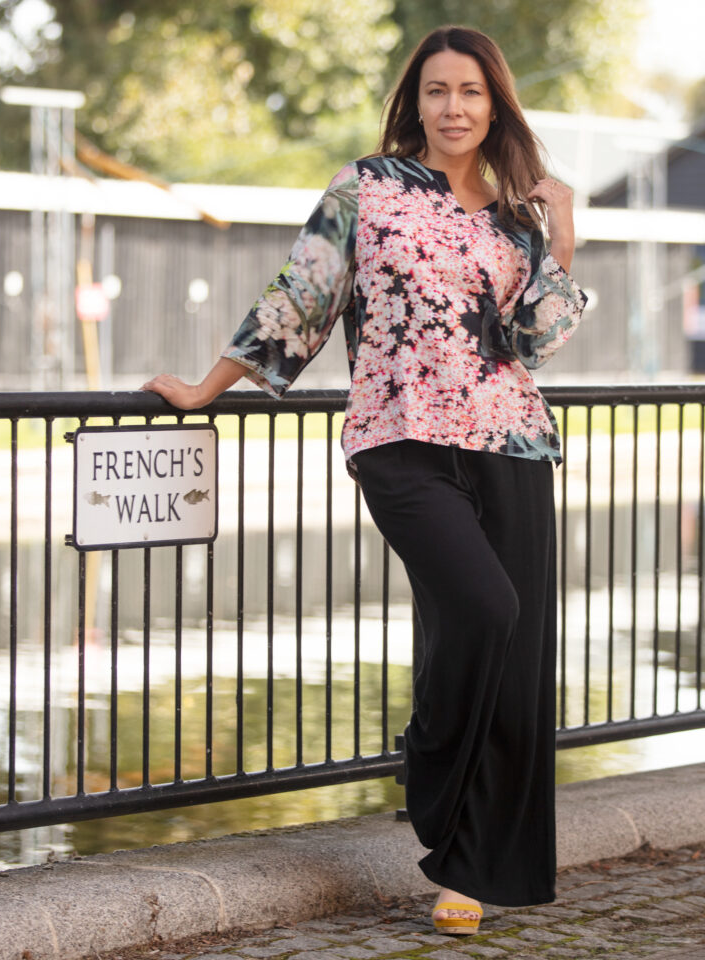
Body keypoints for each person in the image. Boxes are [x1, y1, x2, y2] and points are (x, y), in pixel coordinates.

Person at [142, 25, 586, 936]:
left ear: (495, 103)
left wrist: (563, 233)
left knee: (513, 655)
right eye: (436, 92)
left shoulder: (516, 212)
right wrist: (203, 390)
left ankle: (468, 870)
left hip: (509, 442)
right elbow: (299, 296)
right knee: (485, 610)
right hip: (399, 438)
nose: (453, 108)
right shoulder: (370, 187)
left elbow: (534, 342)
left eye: (469, 92)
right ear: (414, 102)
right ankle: (428, 759)